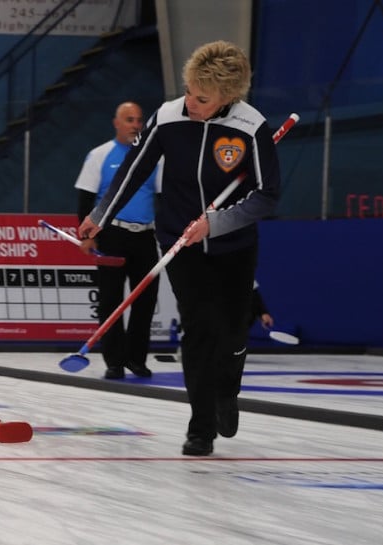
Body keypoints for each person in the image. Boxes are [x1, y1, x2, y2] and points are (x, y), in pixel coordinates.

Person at [78, 41, 282, 456]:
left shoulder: (250, 125)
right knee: (199, 330)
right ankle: (200, 426)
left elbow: (267, 195)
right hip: (179, 241)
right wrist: (101, 213)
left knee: (230, 332)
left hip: (233, 244)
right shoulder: (169, 116)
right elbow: (135, 170)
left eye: (202, 98)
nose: (190, 102)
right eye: (188, 90)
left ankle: (227, 390)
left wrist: (216, 222)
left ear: (228, 96)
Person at [74, 101, 161, 380]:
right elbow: (85, 199)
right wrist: (87, 236)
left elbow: (163, 198)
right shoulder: (99, 155)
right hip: (112, 235)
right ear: (116, 123)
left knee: (145, 300)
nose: (135, 125)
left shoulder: (154, 158)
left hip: (145, 236)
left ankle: (137, 359)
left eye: (139, 120)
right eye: (129, 119)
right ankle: (114, 362)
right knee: (111, 300)